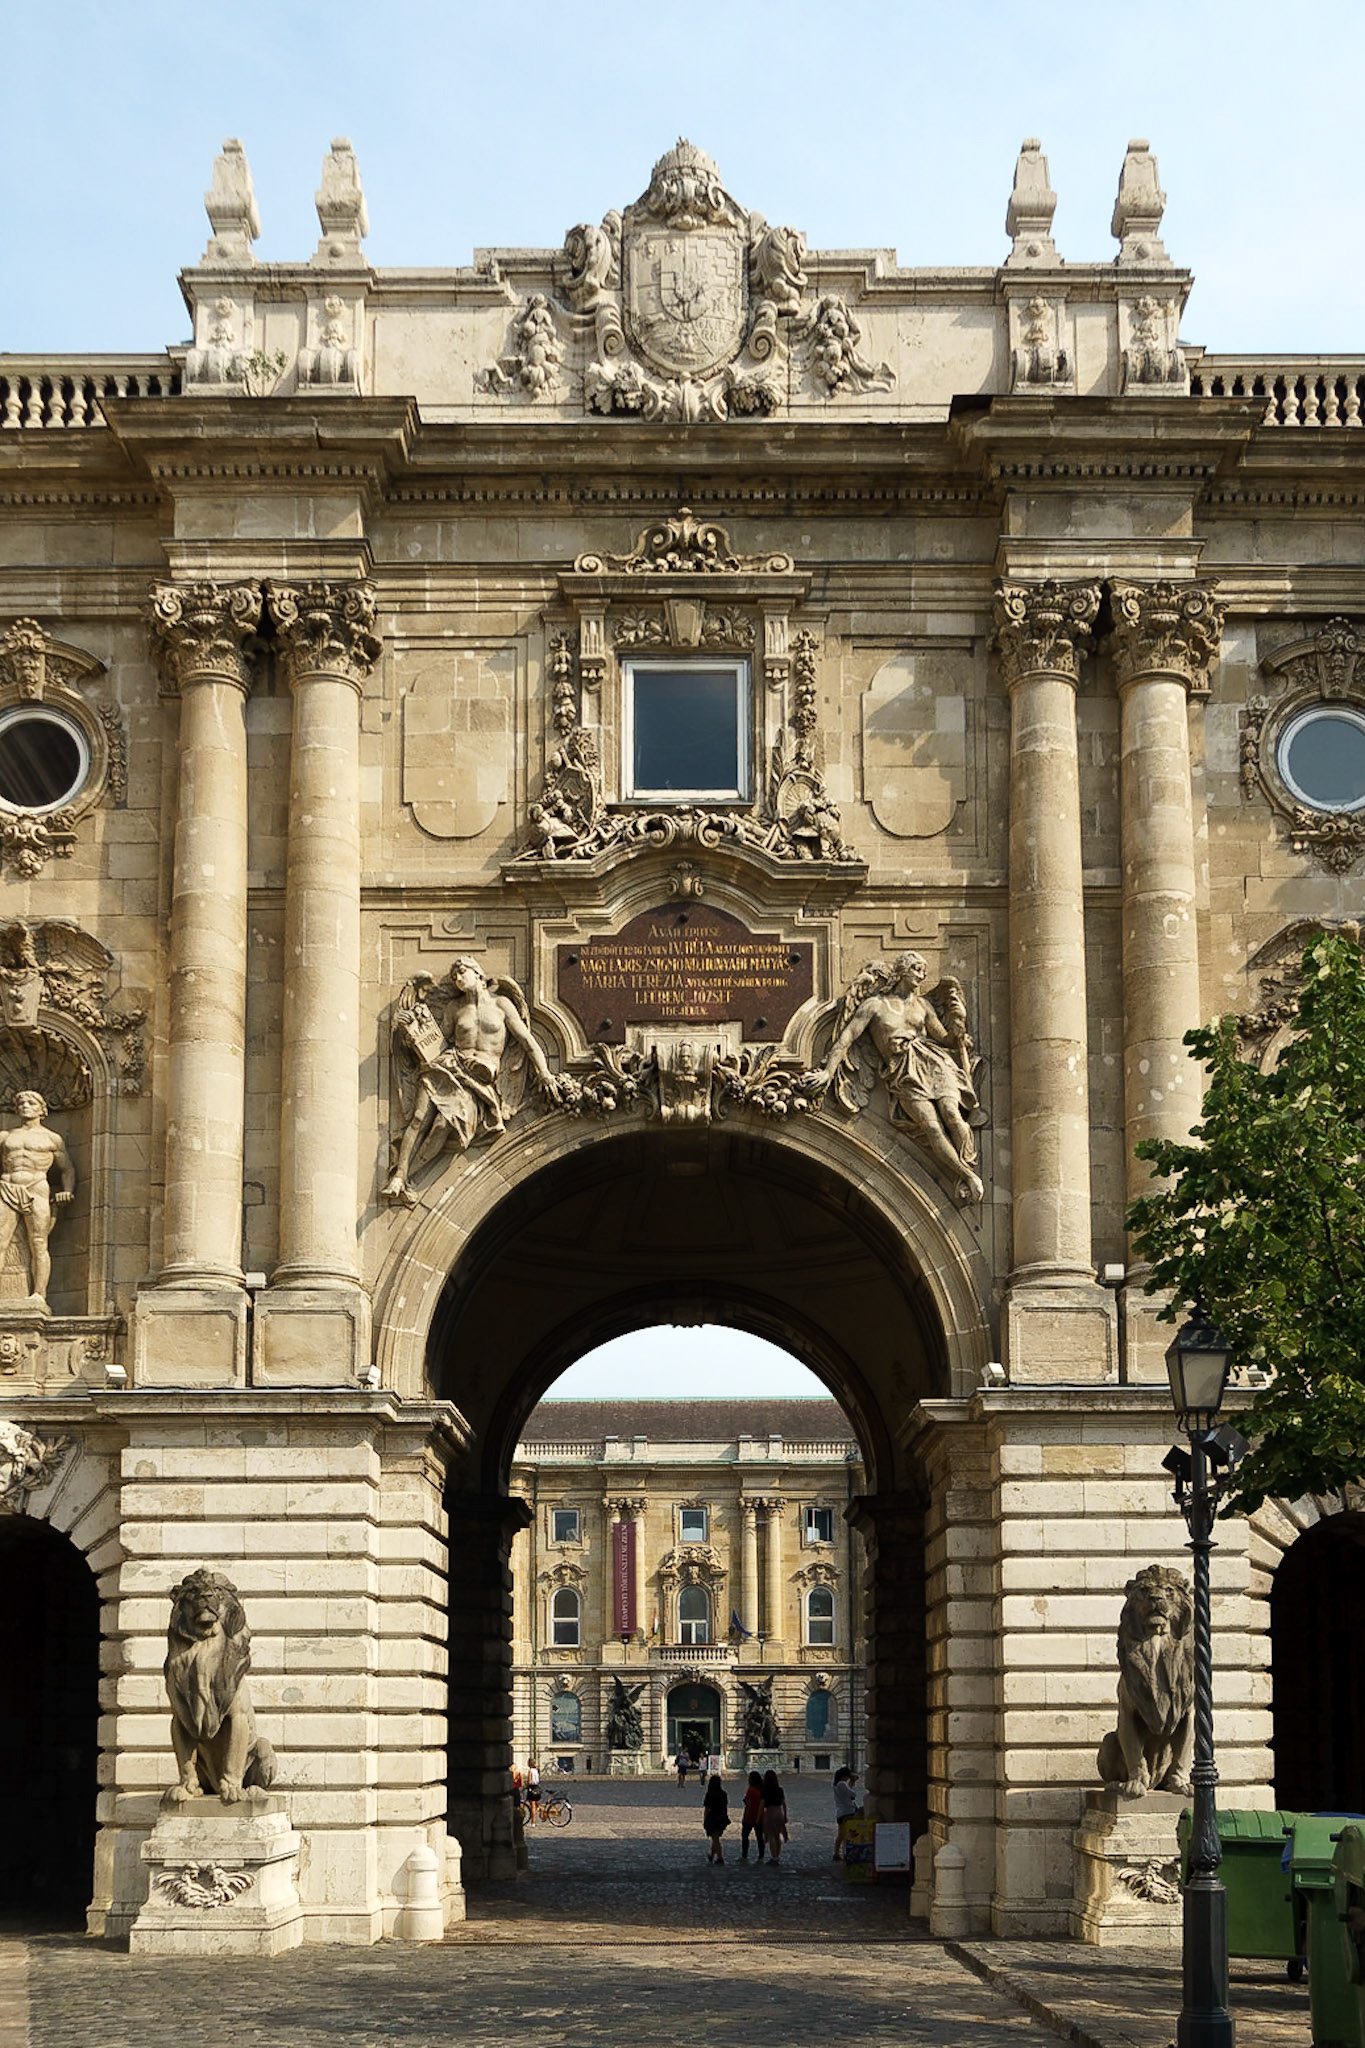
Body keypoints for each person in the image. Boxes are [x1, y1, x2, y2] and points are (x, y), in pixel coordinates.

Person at [803, 951, 983, 1205]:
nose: (922, 975)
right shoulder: (874, 1005)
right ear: (902, 971)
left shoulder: (922, 1005)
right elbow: (846, 1038)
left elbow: (944, 1039)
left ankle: (965, 1168)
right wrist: (827, 1071)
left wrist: (958, 1028)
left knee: (953, 1116)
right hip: (904, 1073)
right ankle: (965, 1175)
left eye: (923, 970)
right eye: (917, 969)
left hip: (934, 1064)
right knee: (931, 1125)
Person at [382, 957, 562, 1204]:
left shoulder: (502, 1004)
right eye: (454, 976)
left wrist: (544, 1072)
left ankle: (408, 1174)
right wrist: (410, 1029)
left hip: (478, 1080)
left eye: (461, 972)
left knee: (446, 1124)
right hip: (448, 1065)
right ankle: (398, 1177)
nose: (457, 979)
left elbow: (528, 1042)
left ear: (478, 973)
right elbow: (435, 1043)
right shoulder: (454, 1008)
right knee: (419, 1118)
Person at [0, 1090, 75, 1304]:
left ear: (42, 1109)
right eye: (21, 1102)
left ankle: (39, 1294)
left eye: (31, 1102)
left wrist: (67, 1191)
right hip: (7, 1186)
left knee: (39, 1242)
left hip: (37, 1188)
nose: (25, 1105)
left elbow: (67, 1169)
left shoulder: (51, 1139)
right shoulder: (6, 1136)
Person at [760, 1768, 789, 1865]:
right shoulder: (779, 1789)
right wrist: (785, 1815)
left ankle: (774, 1857)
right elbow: (784, 1803)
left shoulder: (765, 1790)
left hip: (770, 1813)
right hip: (779, 1813)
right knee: (777, 1836)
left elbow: (762, 1804)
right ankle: (777, 1856)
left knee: (771, 1835)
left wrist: (759, 1815)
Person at [832, 1766, 861, 1860]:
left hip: (841, 1811)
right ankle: (843, 1852)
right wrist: (852, 1782)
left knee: (841, 1833)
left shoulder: (837, 1784)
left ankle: (837, 1853)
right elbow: (853, 1794)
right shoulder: (842, 1784)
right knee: (846, 1834)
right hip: (847, 1811)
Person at [702, 1771, 730, 1865]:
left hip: (713, 1818)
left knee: (715, 1839)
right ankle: (711, 1855)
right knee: (715, 1838)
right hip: (722, 1817)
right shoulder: (723, 1794)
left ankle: (720, 1858)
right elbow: (725, 1806)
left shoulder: (710, 1794)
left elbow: (707, 1809)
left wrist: (705, 1820)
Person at [740, 1769, 766, 1862]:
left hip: (751, 1816)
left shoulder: (751, 1790)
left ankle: (744, 1856)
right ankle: (761, 1856)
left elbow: (748, 1805)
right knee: (759, 1837)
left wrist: (745, 1817)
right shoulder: (762, 1790)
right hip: (761, 1815)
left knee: (745, 1836)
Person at [525, 1757, 541, 1824]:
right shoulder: (536, 1770)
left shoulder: (530, 1771)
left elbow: (529, 1781)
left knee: (533, 1806)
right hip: (537, 1787)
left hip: (532, 1788)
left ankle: (533, 1822)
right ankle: (541, 1810)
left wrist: (526, 1786)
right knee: (535, 1803)